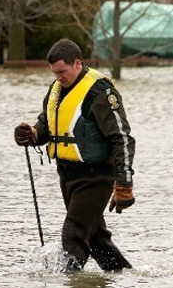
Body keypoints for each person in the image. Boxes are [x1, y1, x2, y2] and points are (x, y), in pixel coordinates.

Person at [14, 38, 135, 273]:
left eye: (62, 71)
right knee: (97, 240)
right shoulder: (56, 90)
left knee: (73, 234)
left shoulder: (101, 93)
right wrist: (31, 134)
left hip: (96, 177)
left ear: (77, 63)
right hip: (68, 176)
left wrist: (124, 183)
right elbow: (46, 126)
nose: (58, 77)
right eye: (54, 72)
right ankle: (127, 279)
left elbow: (122, 138)